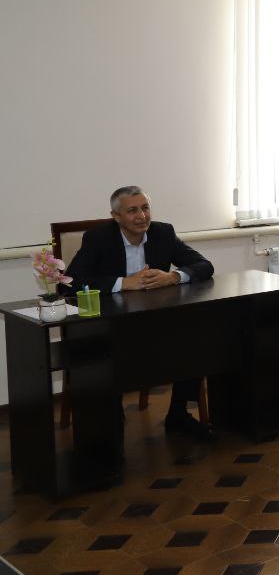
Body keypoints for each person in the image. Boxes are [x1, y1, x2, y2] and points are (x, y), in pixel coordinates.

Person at [65, 186, 216, 440]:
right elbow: (70, 282)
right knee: (106, 355)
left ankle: (178, 415)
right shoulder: (98, 238)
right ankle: (109, 424)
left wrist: (173, 276)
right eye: (132, 210)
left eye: (145, 208)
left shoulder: (163, 232)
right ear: (116, 216)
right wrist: (123, 283)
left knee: (196, 340)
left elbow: (204, 265)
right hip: (111, 324)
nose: (142, 216)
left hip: (155, 321)